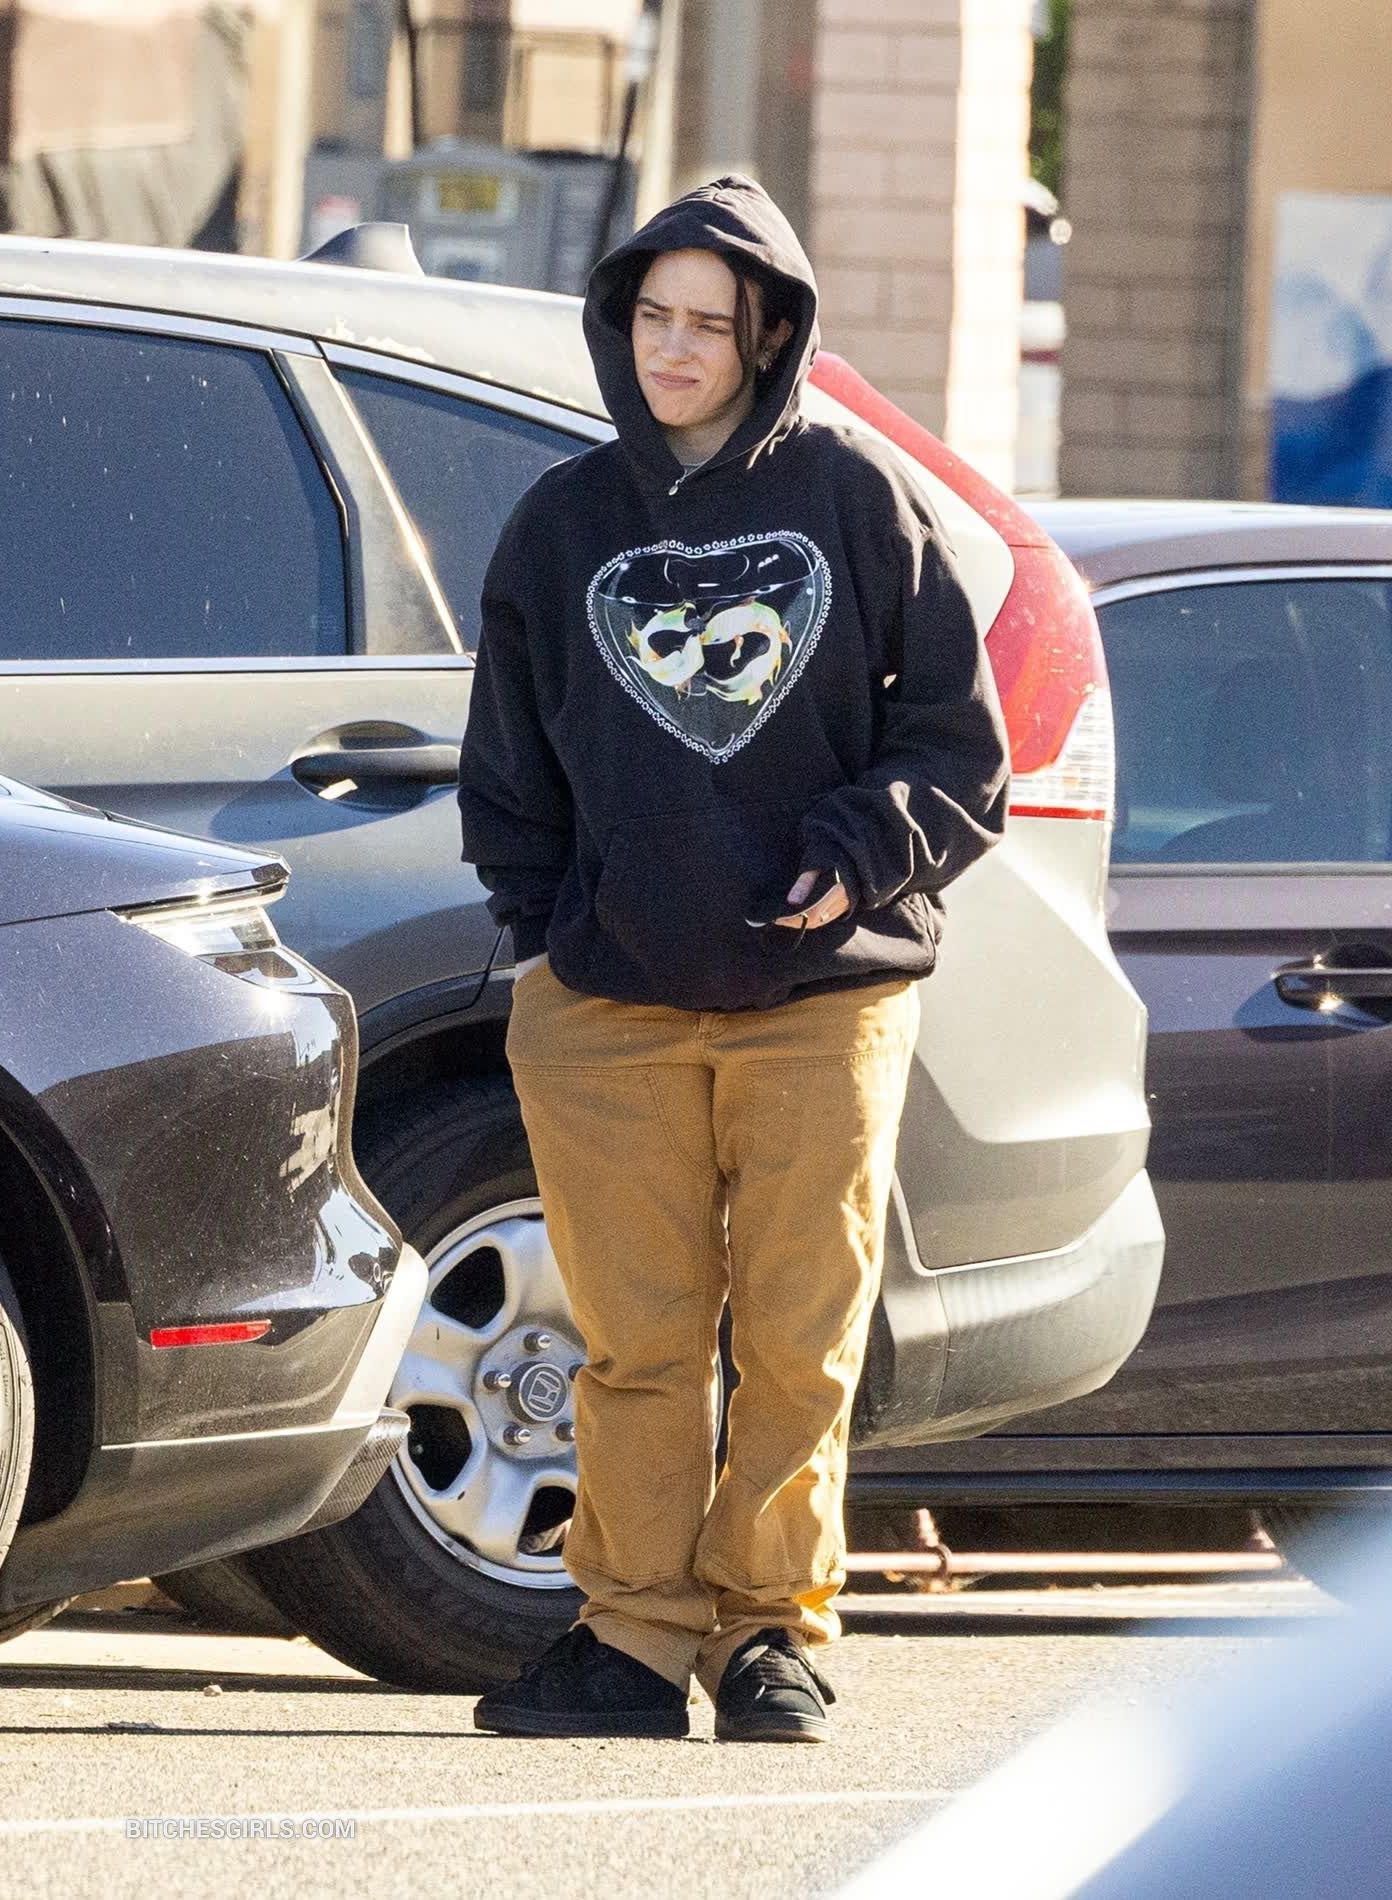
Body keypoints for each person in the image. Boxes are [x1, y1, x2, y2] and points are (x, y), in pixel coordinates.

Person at [457, 176, 1010, 1744]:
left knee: (795, 1340)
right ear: (619, 323)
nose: (676, 349)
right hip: (607, 1002)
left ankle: (771, 1634)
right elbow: (508, 764)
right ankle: (630, 1640)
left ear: (769, 337)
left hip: (820, 1001)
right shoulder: (563, 522)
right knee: (634, 1345)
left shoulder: (857, 497)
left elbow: (961, 749)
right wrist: (549, 938)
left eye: (709, 322)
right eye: (654, 317)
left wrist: (858, 853)